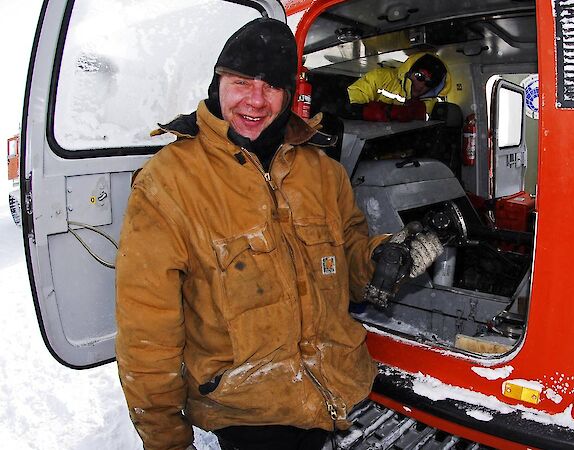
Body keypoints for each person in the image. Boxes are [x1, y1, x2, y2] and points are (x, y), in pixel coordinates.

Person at [114, 18, 441, 450]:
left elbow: (349, 267)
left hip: (335, 389)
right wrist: (166, 439)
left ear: (289, 95)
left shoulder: (323, 172)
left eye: (271, 87)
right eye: (241, 82)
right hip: (249, 412)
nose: (255, 100)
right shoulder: (167, 183)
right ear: (218, 83)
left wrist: (384, 260)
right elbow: (146, 331)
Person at [346, 53, 451, 122]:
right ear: (409, 71)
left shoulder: (429, 102)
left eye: (430, 83)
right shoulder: (380, 77)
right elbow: (351, 109)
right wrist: (382, 112)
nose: (422, 85)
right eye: (420, 76)